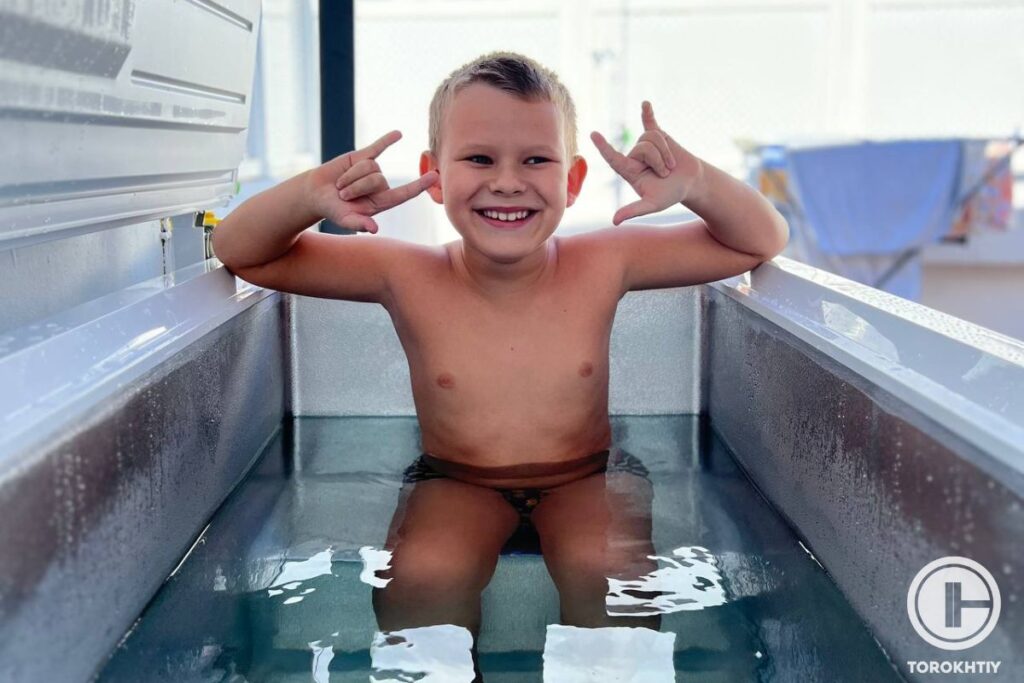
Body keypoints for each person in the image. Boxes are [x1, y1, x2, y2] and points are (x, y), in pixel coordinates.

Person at [212, 51, 787, 667]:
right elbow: (243, 252)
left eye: (536, 160)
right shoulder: (405, 272)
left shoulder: (605, 261)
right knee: (421, 578)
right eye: (479, 159)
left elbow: (760, 240)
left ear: (572, 180)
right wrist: (308, 195)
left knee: (610, 573)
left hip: (585, 475)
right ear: (434, 175)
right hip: (457, 479)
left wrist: (695, 180)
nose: (508, 181)